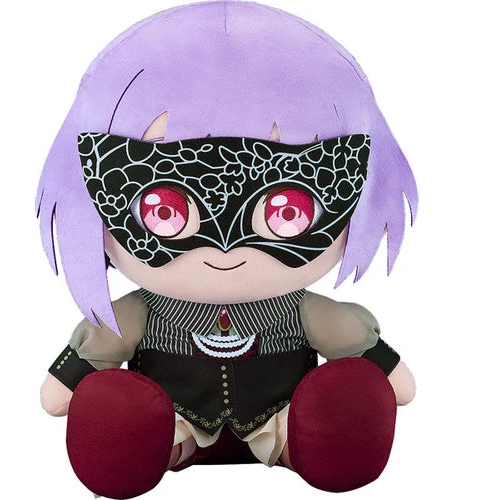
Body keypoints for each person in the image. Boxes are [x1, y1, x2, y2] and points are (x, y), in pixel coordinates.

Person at [37, 2, 417, 498]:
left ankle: (313, 445)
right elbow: (64, 389)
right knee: (125, 416)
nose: (223, 249)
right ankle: (142, 445)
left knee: (336, 407)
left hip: (283, 417)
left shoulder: (300, 311)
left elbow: (380, 368)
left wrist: (367, 378)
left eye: (290, 209)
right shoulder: (143, 314)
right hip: (174, 420)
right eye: (164, 208)